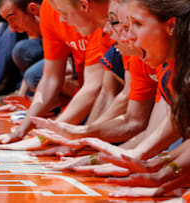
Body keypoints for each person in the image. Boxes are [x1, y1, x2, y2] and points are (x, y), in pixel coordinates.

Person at [56, 0, 190, 198]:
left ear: (170, 26)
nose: (127, 36)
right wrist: (159, 171)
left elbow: (139, 123)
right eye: (125, 25)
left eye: (136, 25)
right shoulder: (172, 69)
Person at [0, 0, 110, 149]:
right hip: (89, 90)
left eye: (64, 13)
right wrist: (21, 131)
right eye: (60, 12)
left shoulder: (100, 20)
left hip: (99, 96)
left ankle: (62, 117)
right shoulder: (49, 9)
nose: (62, 19)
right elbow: (50, 78)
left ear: (84, 5)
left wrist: (45, 137)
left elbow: (98, 88)